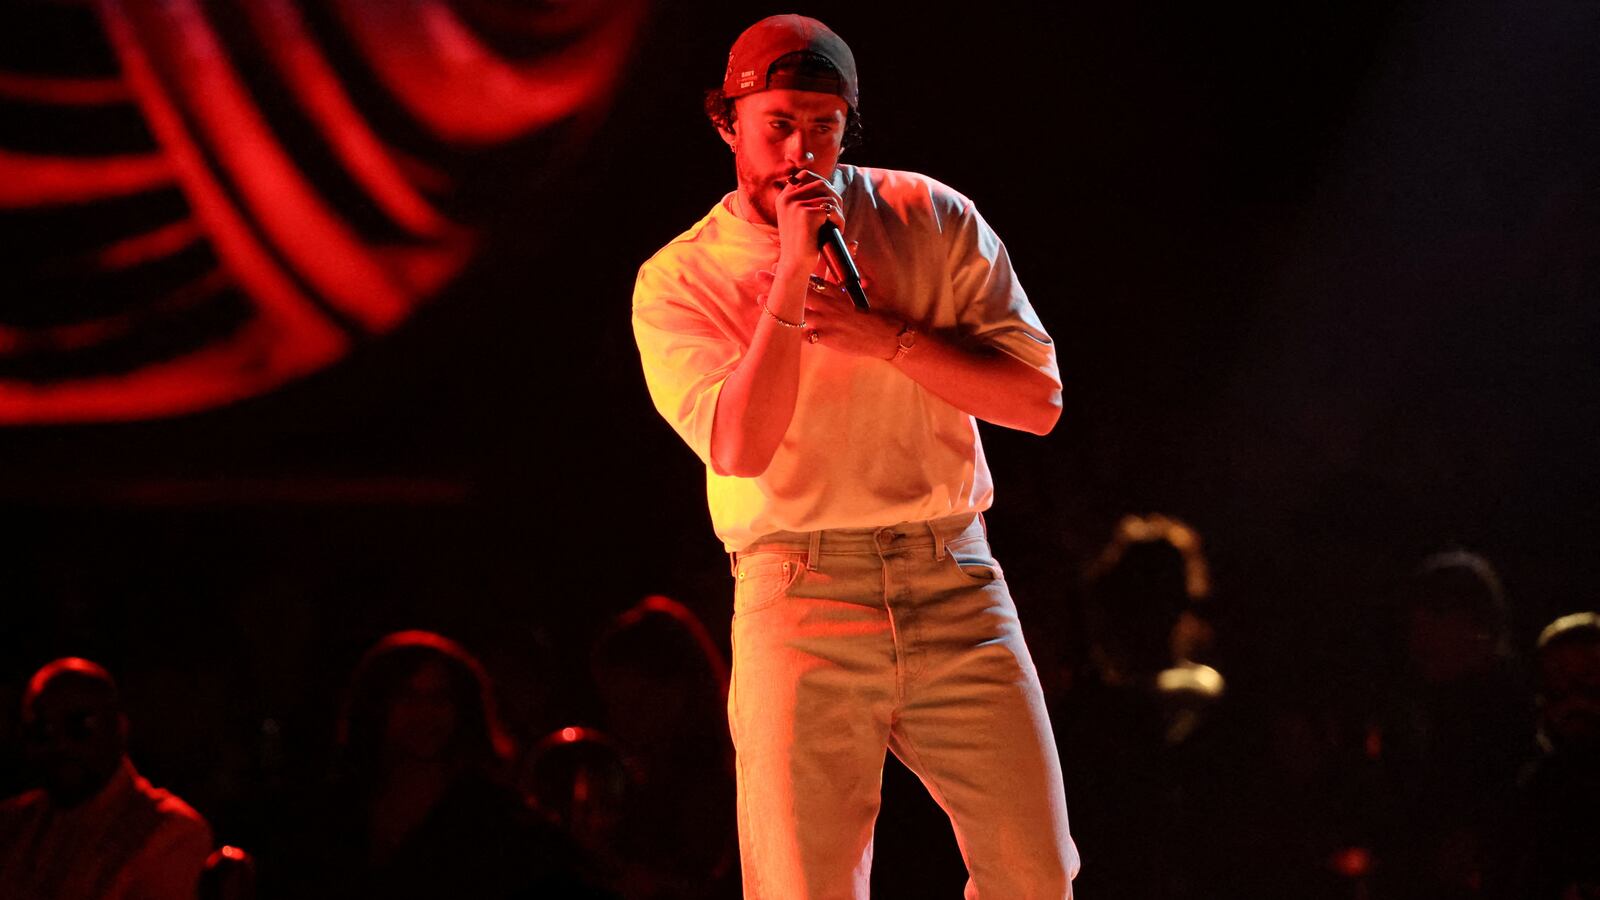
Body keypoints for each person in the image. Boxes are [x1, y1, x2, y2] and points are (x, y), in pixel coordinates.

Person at [631, 14, 1079, 897]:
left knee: (1034, 868)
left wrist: (887, 340)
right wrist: (791, 279)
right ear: (728, 123)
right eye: (779, 126)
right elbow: (741, 446)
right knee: (803, 882)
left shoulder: (931, 216)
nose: (802, 152)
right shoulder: (682, 278)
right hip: (799, 590)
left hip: (952, 573)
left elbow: (1037, 403)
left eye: (825, 127)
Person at [278, 630, 608, 899]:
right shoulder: (337, 811)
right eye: (408, 698)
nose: (425, 715)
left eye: (439, 699)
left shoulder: (495, 818)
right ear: (377, 707)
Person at [0, 657, 214, 900]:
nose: (60, 745)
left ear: (119, 727)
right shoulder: (13, 823)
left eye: (80, 725)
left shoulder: (171, 832)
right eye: (43, 730)